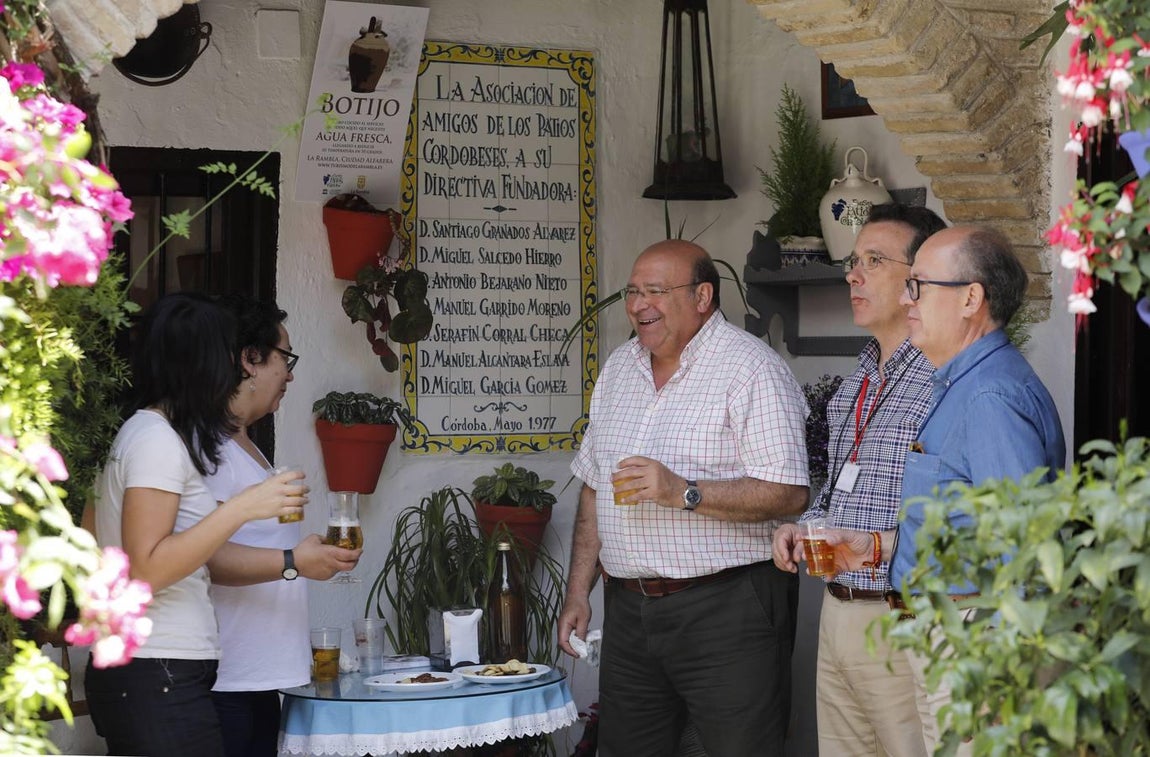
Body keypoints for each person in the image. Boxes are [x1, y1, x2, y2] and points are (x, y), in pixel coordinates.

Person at [557, 239, 810, 756]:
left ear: (702, 297)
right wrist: (578, 592)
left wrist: (683, 492)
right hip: (628, 610)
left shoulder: (751, 369)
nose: (637, 304)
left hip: (728, 608)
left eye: (654, 291)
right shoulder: (619, 369)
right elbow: (592, 489)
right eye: (632, 291)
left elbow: (788, 492)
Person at [824, 225, 1066, 755]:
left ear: (971, 299)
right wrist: (882, 546)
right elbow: (961, 520)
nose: (908, 300)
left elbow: (1022, 550)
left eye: (919, 286)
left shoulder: (989, 397)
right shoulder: (960, 383)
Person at [84, 292, 308, 757]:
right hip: (157, 667)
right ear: (203, 360)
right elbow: (145, 569)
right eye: (230, 355)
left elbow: (92, 541)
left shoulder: (145, 434)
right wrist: (243, 508)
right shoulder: (157, 441)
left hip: (152, 667)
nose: (238, 370)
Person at [773, 204, 945, 757]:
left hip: (903, 616)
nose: (853, 274)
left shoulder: (947, 383)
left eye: (874, 260)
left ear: (919, 280)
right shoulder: (857, 382)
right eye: (853, 261)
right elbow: (838, 488)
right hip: (837, 609)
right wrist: (804, 526)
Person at [201, 293, 361, 757]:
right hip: (226, 675)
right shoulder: (207, 444)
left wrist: (309, 557)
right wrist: (294, 561)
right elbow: (203, 556)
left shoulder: (245, 443)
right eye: (284, 358)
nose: (290, 374)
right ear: (250, 360)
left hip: (258, 674)